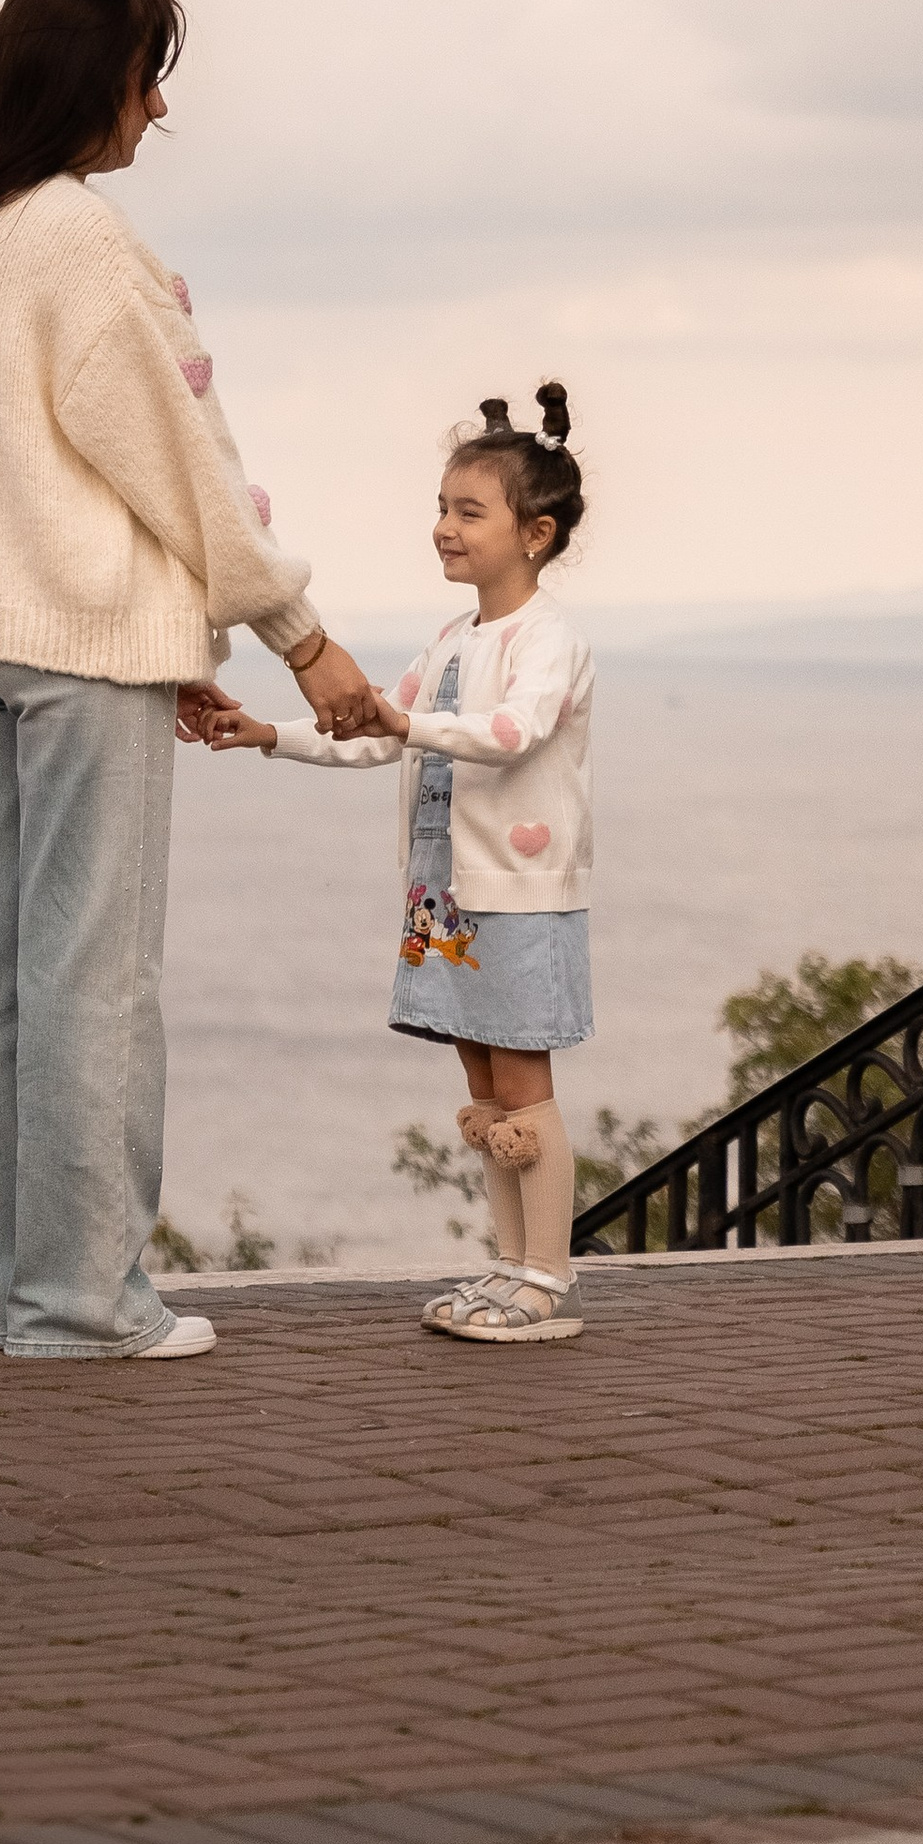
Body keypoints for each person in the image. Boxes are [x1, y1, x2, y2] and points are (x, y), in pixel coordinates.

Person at [0, 0, 379, 1359]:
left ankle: (10, 1297)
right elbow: (180, 465)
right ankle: (85, 1305)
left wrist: (167, 642)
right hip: (74, 642)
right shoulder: (77, 242)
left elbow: (18, 472)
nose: (158, 110)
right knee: (94, 976)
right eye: (144, 76)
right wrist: (303, 637)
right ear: (86, 82)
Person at [205, 387, 595, 1343]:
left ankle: (544, 1278)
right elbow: (377, 732)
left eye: (470, 511)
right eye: (442, 508)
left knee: (523, 1083)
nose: (445, 529)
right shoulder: (453, 639)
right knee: (481, 1085)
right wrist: (269, 734)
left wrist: (399, 717)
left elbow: (509, 735)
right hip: (448, 898)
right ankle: (506, 1264)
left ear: (535, 533)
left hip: (516, 893)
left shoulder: (549, 640)